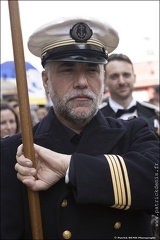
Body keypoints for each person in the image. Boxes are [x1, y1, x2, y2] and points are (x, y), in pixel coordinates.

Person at [1, 17, 159, 240]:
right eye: (68, 70)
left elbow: (155, 187)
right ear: (46, 81)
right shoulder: (15, 152)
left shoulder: (135, 132)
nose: (82, 82)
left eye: (92, 70)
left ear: (102, 78)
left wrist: (69, 167)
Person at [100, 53, 160, 137]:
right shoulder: (97, 118)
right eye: (114, 76)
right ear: (105, 82)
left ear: (134, 78)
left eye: (126, 75)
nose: (121, 82)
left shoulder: (155, 113)